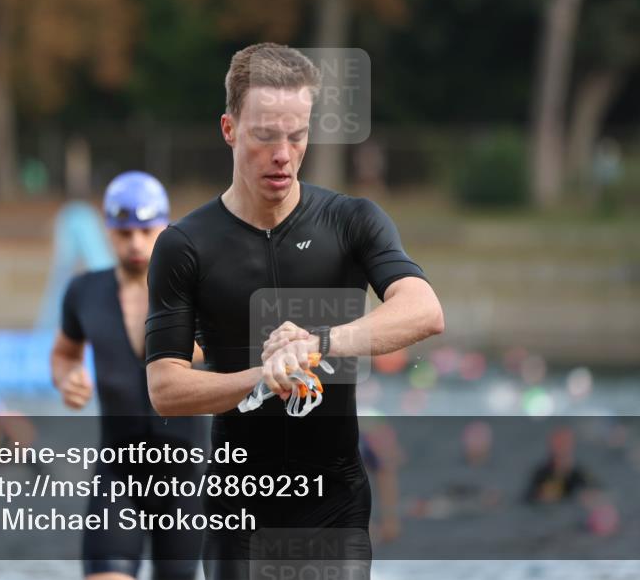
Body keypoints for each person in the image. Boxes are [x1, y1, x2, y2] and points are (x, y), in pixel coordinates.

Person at [145, 43, 445, 579]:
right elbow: (166, 388)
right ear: (229, 128)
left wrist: (318, 344)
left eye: (297, 135)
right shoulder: (185, 245)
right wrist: (263, 378)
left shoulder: (352, 221)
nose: (282, 153)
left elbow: (424, 310)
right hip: (237, 510)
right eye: (264, 135)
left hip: (336, 505)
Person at [51, 171, 205, 580]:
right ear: (108, 230)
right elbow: (65, 353)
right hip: (119, 471)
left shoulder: (196, 288)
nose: (135, 243)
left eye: (146, 230)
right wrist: (67, 379)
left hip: (186, 476)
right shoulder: (84, 291)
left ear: (166, 228)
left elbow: (235, 349)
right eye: (124, 232)